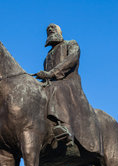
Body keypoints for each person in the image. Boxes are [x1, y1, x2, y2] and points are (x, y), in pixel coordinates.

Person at [36, 24, 101, 153]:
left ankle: (67, 129)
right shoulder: (47, 56)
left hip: (68, 83)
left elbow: (71, 59)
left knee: (55, 88)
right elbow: (47, 76)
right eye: (48, 31)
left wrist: (52, 73)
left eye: (53, 29)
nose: (50, 31)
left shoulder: (71, 44)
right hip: (51, 83)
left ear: (59, 32)